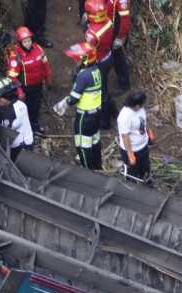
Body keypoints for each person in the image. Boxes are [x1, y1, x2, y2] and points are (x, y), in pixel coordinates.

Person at [54, 42, 103, 169]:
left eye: (77, 59)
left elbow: (74, 98)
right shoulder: (96, 70)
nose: (75, 61)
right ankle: (98, 167)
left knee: (82, 144)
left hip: (85, 116)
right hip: (97, 113)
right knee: (94, 140)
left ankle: (87, 171)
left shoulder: (83, 75)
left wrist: (64, 104)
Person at [6, 26, 52, 133]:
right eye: (25, 41)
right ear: (20, 42)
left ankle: (35, 125)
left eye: (29, 40)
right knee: (25, 109)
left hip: (38, 85)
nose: (28, 43)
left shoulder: (38, 49)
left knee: (36, 106)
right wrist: (19, 91)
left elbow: (45, 64)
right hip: (25, 88)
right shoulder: (16, 55)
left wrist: (48, 78)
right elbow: (12, 76)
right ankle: (26, 129)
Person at [84, 0, 117, 129]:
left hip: (99, 62)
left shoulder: (92, 34)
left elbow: (88, 51)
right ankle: (113, 111)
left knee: (100, 91)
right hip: (108, 56)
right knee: (104, 86)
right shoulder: (108, 21)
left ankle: (105, 121)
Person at [117, 91, 155, 183]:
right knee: (132, 173)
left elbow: (143, 120)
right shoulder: (124, 117)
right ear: (136, 105)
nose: (143, 106)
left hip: (143, 146)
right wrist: (130, 154)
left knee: (145, 168)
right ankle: (133, 188)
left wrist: (148, 131)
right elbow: (125, 136)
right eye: (142, 104)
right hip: (133, 149)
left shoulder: (140, 109)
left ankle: (147, 181)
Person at [108, 0, 132, 92]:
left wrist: (120, 37)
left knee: (118, 59)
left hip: (118, 33)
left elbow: (125, 21)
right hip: (111, 30)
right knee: (116, 57)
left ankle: (124, 84)